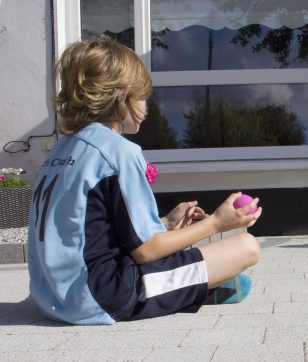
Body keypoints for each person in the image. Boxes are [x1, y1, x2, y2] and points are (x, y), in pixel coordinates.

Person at [28, 38, 261, 325]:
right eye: (143, 96)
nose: (146, 104)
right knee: (246, 248)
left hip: (52, 296)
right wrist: (216, 223)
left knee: (221, 267)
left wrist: (164, 224)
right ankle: (192, 291)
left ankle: (196, 286)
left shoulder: (63, 150)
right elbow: (145, 251)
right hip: (102, 295)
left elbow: (89, 230)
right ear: (123, 96)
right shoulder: (118, 150)